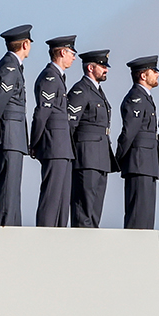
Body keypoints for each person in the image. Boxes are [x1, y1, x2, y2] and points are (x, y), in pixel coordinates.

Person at [30, 36, 77, 227]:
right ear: (62, 52)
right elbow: (42, 112)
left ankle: (58, 237)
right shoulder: (50, 77)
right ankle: (45, 237)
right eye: (72, 54)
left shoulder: (58, 77)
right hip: (54, 145)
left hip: (63, 146)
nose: (74, 58)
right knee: (52, 197)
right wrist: (35, 142)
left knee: (62, 200)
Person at [0, 25, 34, 226]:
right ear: (25, 44)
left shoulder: (13, 66)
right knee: (8, 189)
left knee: (12, 188)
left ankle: (12, 228)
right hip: (9, 136)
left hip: (14, 137)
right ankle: (6, 230)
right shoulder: (9, 66)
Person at [68, 50, 115, 228]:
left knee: (95, 212)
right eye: (102, 66)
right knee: (83, 210)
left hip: (101, 157)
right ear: (90, 67)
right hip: (86, 157)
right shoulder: (81, 90)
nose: (106, 70)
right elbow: (70, 125)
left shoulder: (98, 91)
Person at [115, 56, 159, 230]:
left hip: (148, 164)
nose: (157, 74)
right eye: (154, 71)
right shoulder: (136, 98)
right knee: (138, 217)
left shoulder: (145, 97)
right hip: (138, 163)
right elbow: (129, 132)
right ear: (143, 75)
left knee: (147, 216)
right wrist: (119, 159)